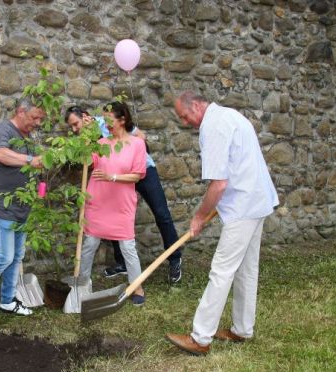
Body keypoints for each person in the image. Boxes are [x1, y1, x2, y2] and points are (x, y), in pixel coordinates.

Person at [165, 91, 279, 355]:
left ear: (195, 104)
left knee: (221, 270)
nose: (185, 122)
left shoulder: (213, 126)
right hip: (257, 200)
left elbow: (219, 184)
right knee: (246, 269)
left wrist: (199, 216)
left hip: (244, 206)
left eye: (184, 116)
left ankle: (200, 338)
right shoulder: (230, 115)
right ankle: (242, 329)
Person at [65, 106, 183, 284]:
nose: (74, 129)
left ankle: (175, 259)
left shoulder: (109, 120)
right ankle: (122, 263)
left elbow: (140, 136)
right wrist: (88, 137)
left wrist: (132, 152)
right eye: (71, 127)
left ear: (85, 116)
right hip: (114, 175)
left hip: (142, 170)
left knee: (161, 213)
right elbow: (95, 158)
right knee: (112, 212)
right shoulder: (88, 134)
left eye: (75, 124)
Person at [0, 97, 45, 316]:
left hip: (23, 206)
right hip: (2, 205)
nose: (38, 123)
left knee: (17, 256)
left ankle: (7, 300)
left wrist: (40, 192)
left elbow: (39, 170)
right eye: (35, 117)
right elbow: (0, 154)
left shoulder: (29, 138)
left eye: (41, 119)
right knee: (4, 256)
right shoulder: (2, 130)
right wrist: (30, 160)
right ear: (21, 112)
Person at [76, 101, 147, 305]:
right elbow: (86, 162)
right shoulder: (102, 143)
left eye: (109, 120)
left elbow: (137, 175)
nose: (106, 124)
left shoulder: (136, 144)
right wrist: (87, 134)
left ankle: (136, 286)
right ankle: (82, 284)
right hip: (97, 201)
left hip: (121, 204)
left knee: (127, 246)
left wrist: (112, 177)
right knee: (89, 244)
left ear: (122, 120)